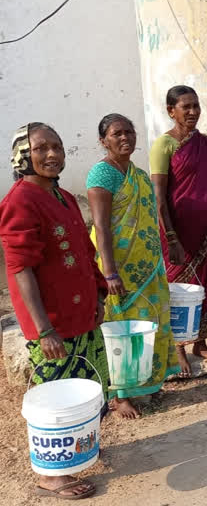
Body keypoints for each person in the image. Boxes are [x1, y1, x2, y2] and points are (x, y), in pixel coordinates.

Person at [0, 123, 109, 499]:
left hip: (81, 315)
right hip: (53, 327)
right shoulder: (20, 200)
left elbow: (83, 250)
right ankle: (52, 477)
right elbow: (20, 267)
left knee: (86, 394)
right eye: (42, 147)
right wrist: (44, 330)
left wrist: (99, 295)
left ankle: (80, 451)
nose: (52, 154)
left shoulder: (61, 195)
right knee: (56, 403)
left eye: (58, 146)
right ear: (22, 155)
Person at [87, 114, 180, 419]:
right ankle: (119, 396)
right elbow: (101, 227)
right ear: (104, 140)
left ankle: (147, 381)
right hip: (120, 269)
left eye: (129, 132)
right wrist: (110, 273)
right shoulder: (102, 175)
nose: (125, 137)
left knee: (149, 323)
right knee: (121, 330)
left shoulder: (138, 175)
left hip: (148, 266)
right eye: (117, 133)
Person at [150, 85, 207, 374]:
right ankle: (178, 347)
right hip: (179, 234)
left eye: (196, 106)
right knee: (179, 289)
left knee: (205, 286)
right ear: (171, 111)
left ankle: (200, 343)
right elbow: (159, 195)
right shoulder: (163, 145)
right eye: (185, 107)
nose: (192, 112)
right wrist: (172, 237)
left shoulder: (204, 144)